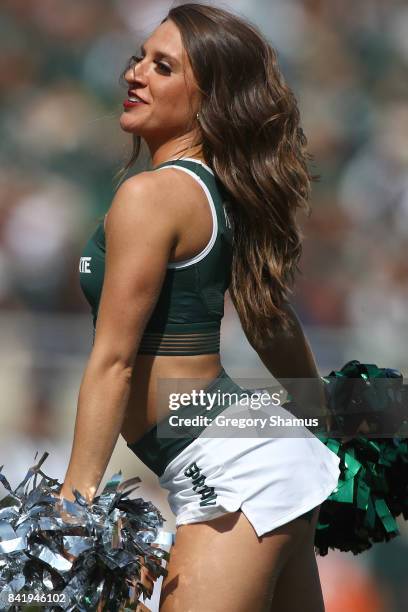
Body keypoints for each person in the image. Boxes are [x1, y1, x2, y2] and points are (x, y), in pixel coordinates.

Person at [60, 4, 341, 611]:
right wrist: (322, 417)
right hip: (258, 453)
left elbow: (115, 361)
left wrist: (73, 506)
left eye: (163, 67)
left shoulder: (153, 195)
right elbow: (273, 324)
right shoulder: (220, 191)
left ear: (209, 100)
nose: (136, 74)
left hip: (233, 468)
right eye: (140, 57)